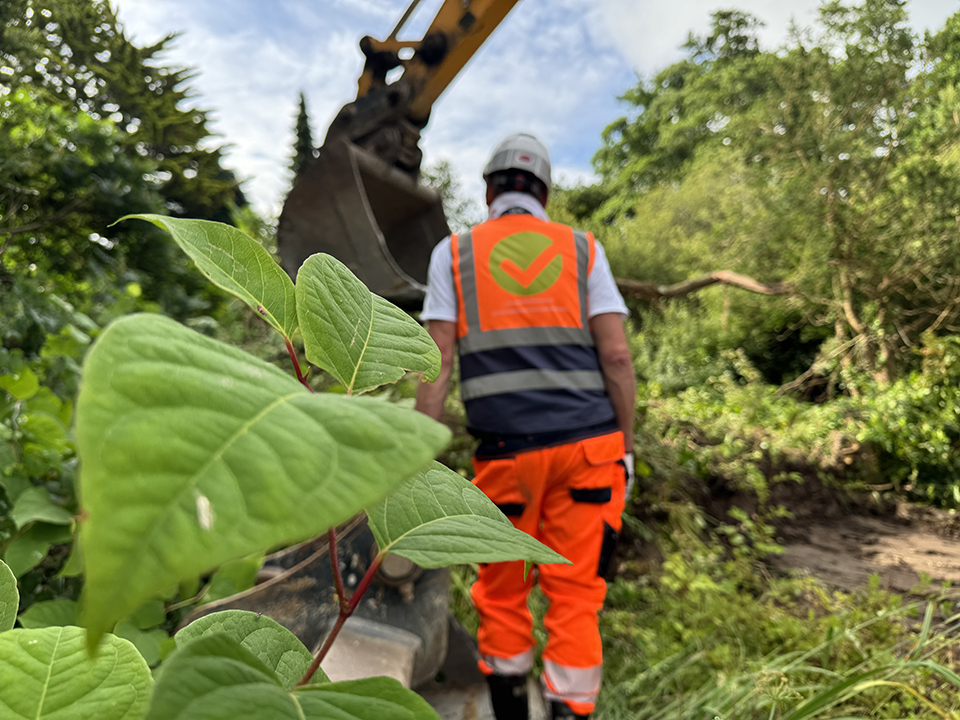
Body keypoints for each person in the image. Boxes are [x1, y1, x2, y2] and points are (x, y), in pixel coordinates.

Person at [415, 133, 637, 720]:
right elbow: (616, 357)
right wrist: (628, 451)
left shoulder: (453, 254)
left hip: (505, 458)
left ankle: (511, 709)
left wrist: (416, 461)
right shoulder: (584, 249)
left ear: (489, 190)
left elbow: (434, 364)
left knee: (503, 593)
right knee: (576, 599)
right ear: (543, 191)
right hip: (590, 452)